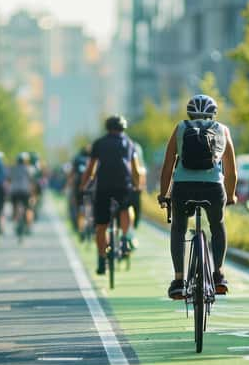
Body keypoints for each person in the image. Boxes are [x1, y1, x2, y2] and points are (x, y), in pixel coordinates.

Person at [157, 94, 237, 300]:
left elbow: (167, 166)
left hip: (184, 187)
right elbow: (232, 171)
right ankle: (218, 275)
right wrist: (230, 196)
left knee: (178, 227)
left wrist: (163, 194)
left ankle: (178, 280)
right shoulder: (223, 130)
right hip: (213, 188)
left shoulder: (180, 128)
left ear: (189, 113)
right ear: (214, 114)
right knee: (217, 226)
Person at [80, 115, 142, 275]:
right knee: (125, 208)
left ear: (107, 128)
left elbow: (91, 168)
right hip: (124, 184)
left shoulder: (99, 143)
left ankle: (102, 260)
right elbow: (135, 168)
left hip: (104, 187)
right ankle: (124, 239)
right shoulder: (129, 143)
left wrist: (84, 185)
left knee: (101, 226)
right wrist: (137, 185)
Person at [9, 152, 38, 232]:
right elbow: (32, 181)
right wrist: (33, 193)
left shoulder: (13, 168)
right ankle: (28, 226)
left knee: (14, 206)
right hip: (25, 191)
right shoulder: (29, 169)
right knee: (28, 208)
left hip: (14, 191)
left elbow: (9, 179)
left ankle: (15, 219)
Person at [67, 146, 90, 232]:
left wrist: (69, 185)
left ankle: (81, 229)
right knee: (89, 205)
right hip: (91, 186)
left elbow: (72, 174)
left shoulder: (77, 160)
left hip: (78, 186)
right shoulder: (93, 159)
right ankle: (89, 223)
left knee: (79, 206)